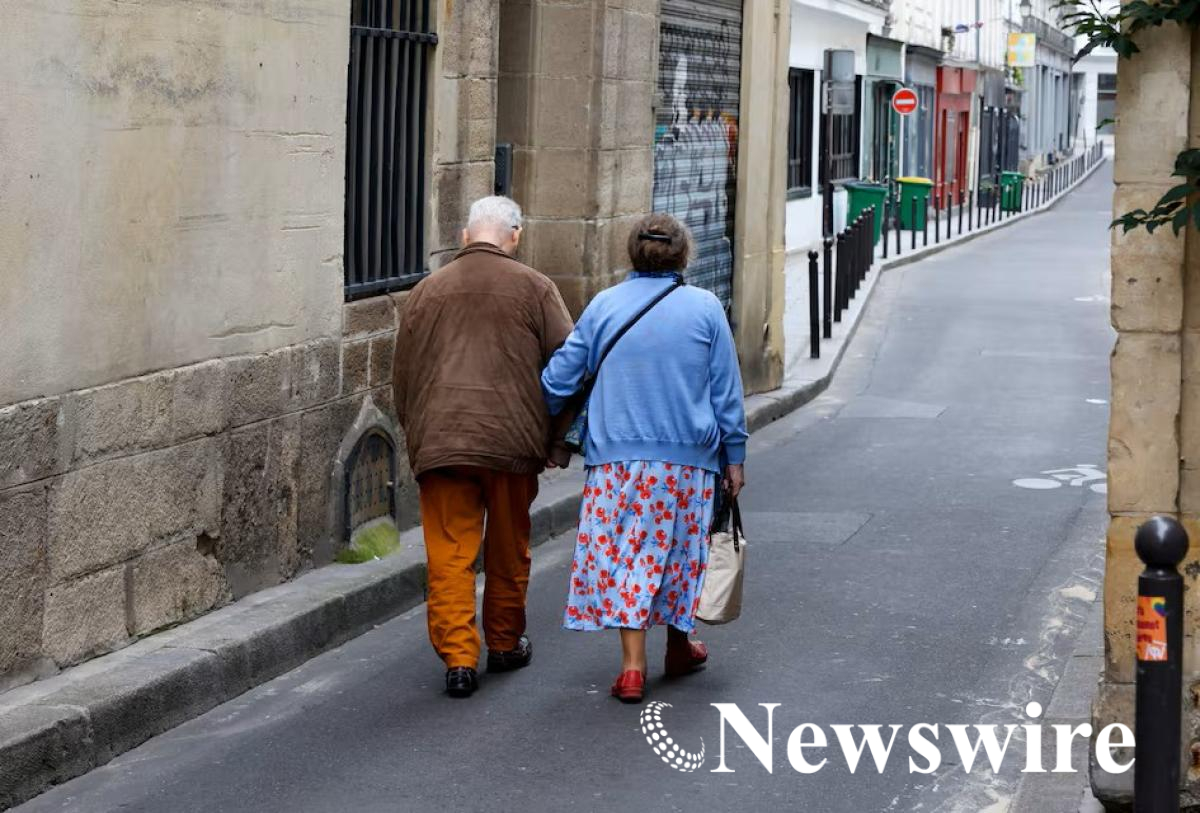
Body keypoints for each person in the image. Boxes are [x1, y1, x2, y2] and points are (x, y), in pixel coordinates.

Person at [541, 213, 747, 704]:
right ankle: (678, 646)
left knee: (627, 557)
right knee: (681, 554)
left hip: (616, 462)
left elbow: (558, 380)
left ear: (633, 252)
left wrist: (549, 417)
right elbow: (726, 392)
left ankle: (633, 669)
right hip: (688, 462)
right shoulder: (706, 308)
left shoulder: (605, 305)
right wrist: (734, 457)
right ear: (683, 255)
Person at [392, 196, 573, 698]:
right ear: (515, 236)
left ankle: (458, 659)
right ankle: (505, 643)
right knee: (508, 549)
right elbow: (569, 364)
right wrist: (556, 440)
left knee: (449, 554)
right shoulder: (536, 288)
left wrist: (418, 436)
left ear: (466, 237)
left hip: (443, 442)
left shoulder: (427, 291)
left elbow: (403, 374)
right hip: (512, 443)